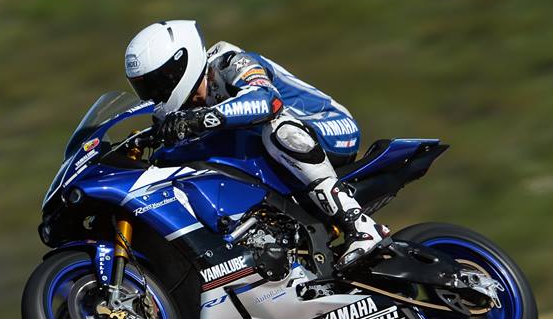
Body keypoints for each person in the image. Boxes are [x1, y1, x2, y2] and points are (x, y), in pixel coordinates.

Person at [124, 20, 390, 269]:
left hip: (329, 126)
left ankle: (360, 225)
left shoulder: (229, 62)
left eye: (160, 82)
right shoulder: (173, 111)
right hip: (278, 158)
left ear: (183, 63)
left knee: (278, 129)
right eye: (145, 87)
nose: (155, 93)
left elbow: (266, 101)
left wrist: (201, 119)